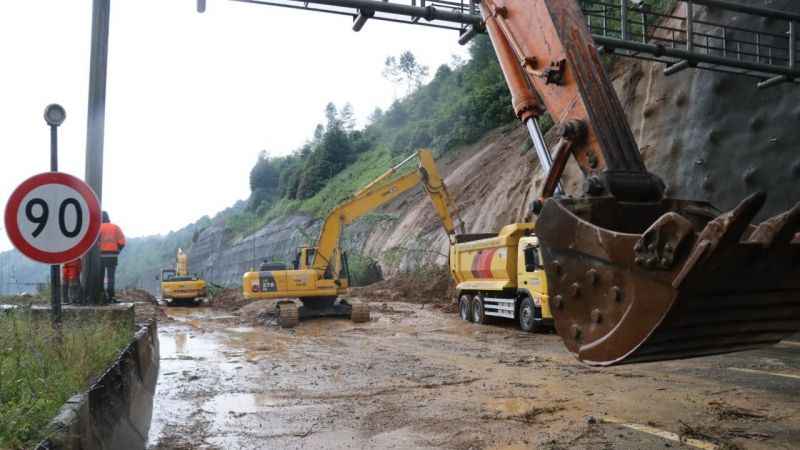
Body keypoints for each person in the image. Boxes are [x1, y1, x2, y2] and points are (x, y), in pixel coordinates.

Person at [98, 211, 126, 303]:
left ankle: (100, 297)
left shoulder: (98, 228)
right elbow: (122, 242)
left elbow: (93, 243)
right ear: (108, 218)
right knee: (111, 278)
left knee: (100, 277)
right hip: (112, 256)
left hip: (100, 256)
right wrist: (117, 251)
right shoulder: (115, 227)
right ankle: (111, 297)